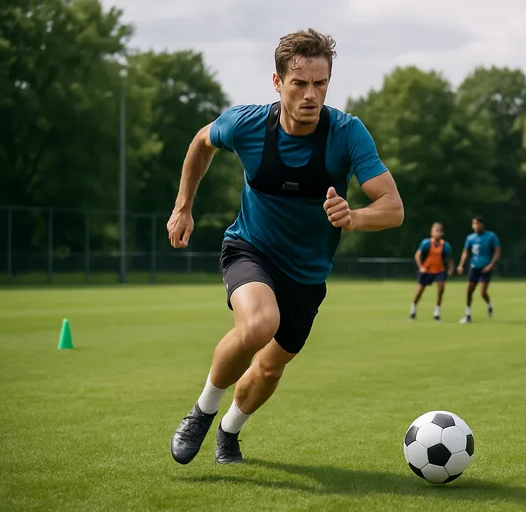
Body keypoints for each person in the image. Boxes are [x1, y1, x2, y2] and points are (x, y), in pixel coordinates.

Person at [165, 28, 404, 465]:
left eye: (320, 83)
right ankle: (202, 411)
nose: (311, 94)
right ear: (277, 83)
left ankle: (229, 432)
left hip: (307, 275)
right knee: (258, 325)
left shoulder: (348, 134)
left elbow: (392, 207)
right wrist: (183, 207)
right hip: (250, 249)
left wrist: (354, 217)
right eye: (299, 83)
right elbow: (202, 142)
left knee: (271, 366)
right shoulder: (247, 124)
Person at [456, 215, 500, 323]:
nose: (475, 226)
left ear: (482, 224)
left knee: (482, 292)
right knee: (469, 290)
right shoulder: (470, 238)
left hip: (485, 268)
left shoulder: (491, 236)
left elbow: (497, 251)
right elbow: (466, 252)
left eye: (477, 224)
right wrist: (461, 265)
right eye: (473, 224)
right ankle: (468, 314)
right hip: (474, 266)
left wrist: (491, 265)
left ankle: (489, 305)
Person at [409, 222, 453, 322]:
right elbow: (417, 255)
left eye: (438, 231)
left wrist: (450, 269)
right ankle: (413, 310)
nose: (436, 233)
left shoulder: (445, 246)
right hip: (426, 270)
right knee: (419, 291)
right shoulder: (426, 243)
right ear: (431, 232)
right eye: (434, 231)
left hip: (439, 270)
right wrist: (421, 267)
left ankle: (436, 313)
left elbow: (449, 259)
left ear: (442, 233)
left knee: (440, 291)